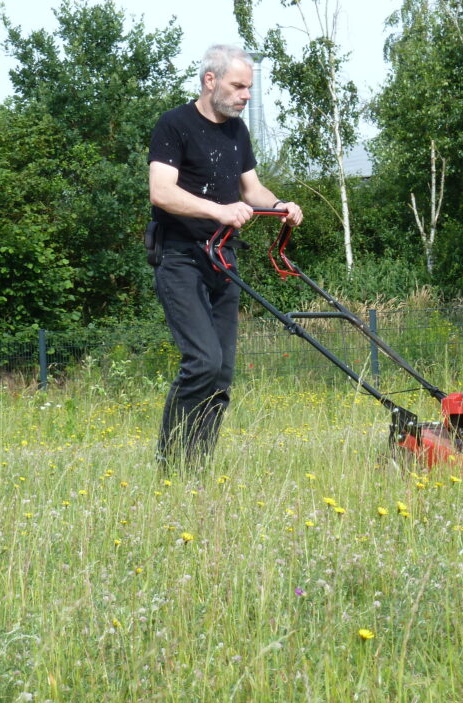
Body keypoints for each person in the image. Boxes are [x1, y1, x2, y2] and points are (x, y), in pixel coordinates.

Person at [147, 44, 303, 468]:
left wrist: (281, 205)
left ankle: (197, 465)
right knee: (202, 361)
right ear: (210, 80)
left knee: (221, 374)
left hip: (223, 260)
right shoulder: (174, 125)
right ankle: (170, 463)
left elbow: (252, 191)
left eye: (249, 88)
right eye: (238, 86)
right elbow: (161, 191)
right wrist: (218, 210)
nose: (245, 95)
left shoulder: (237, 131)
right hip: (180, 258)